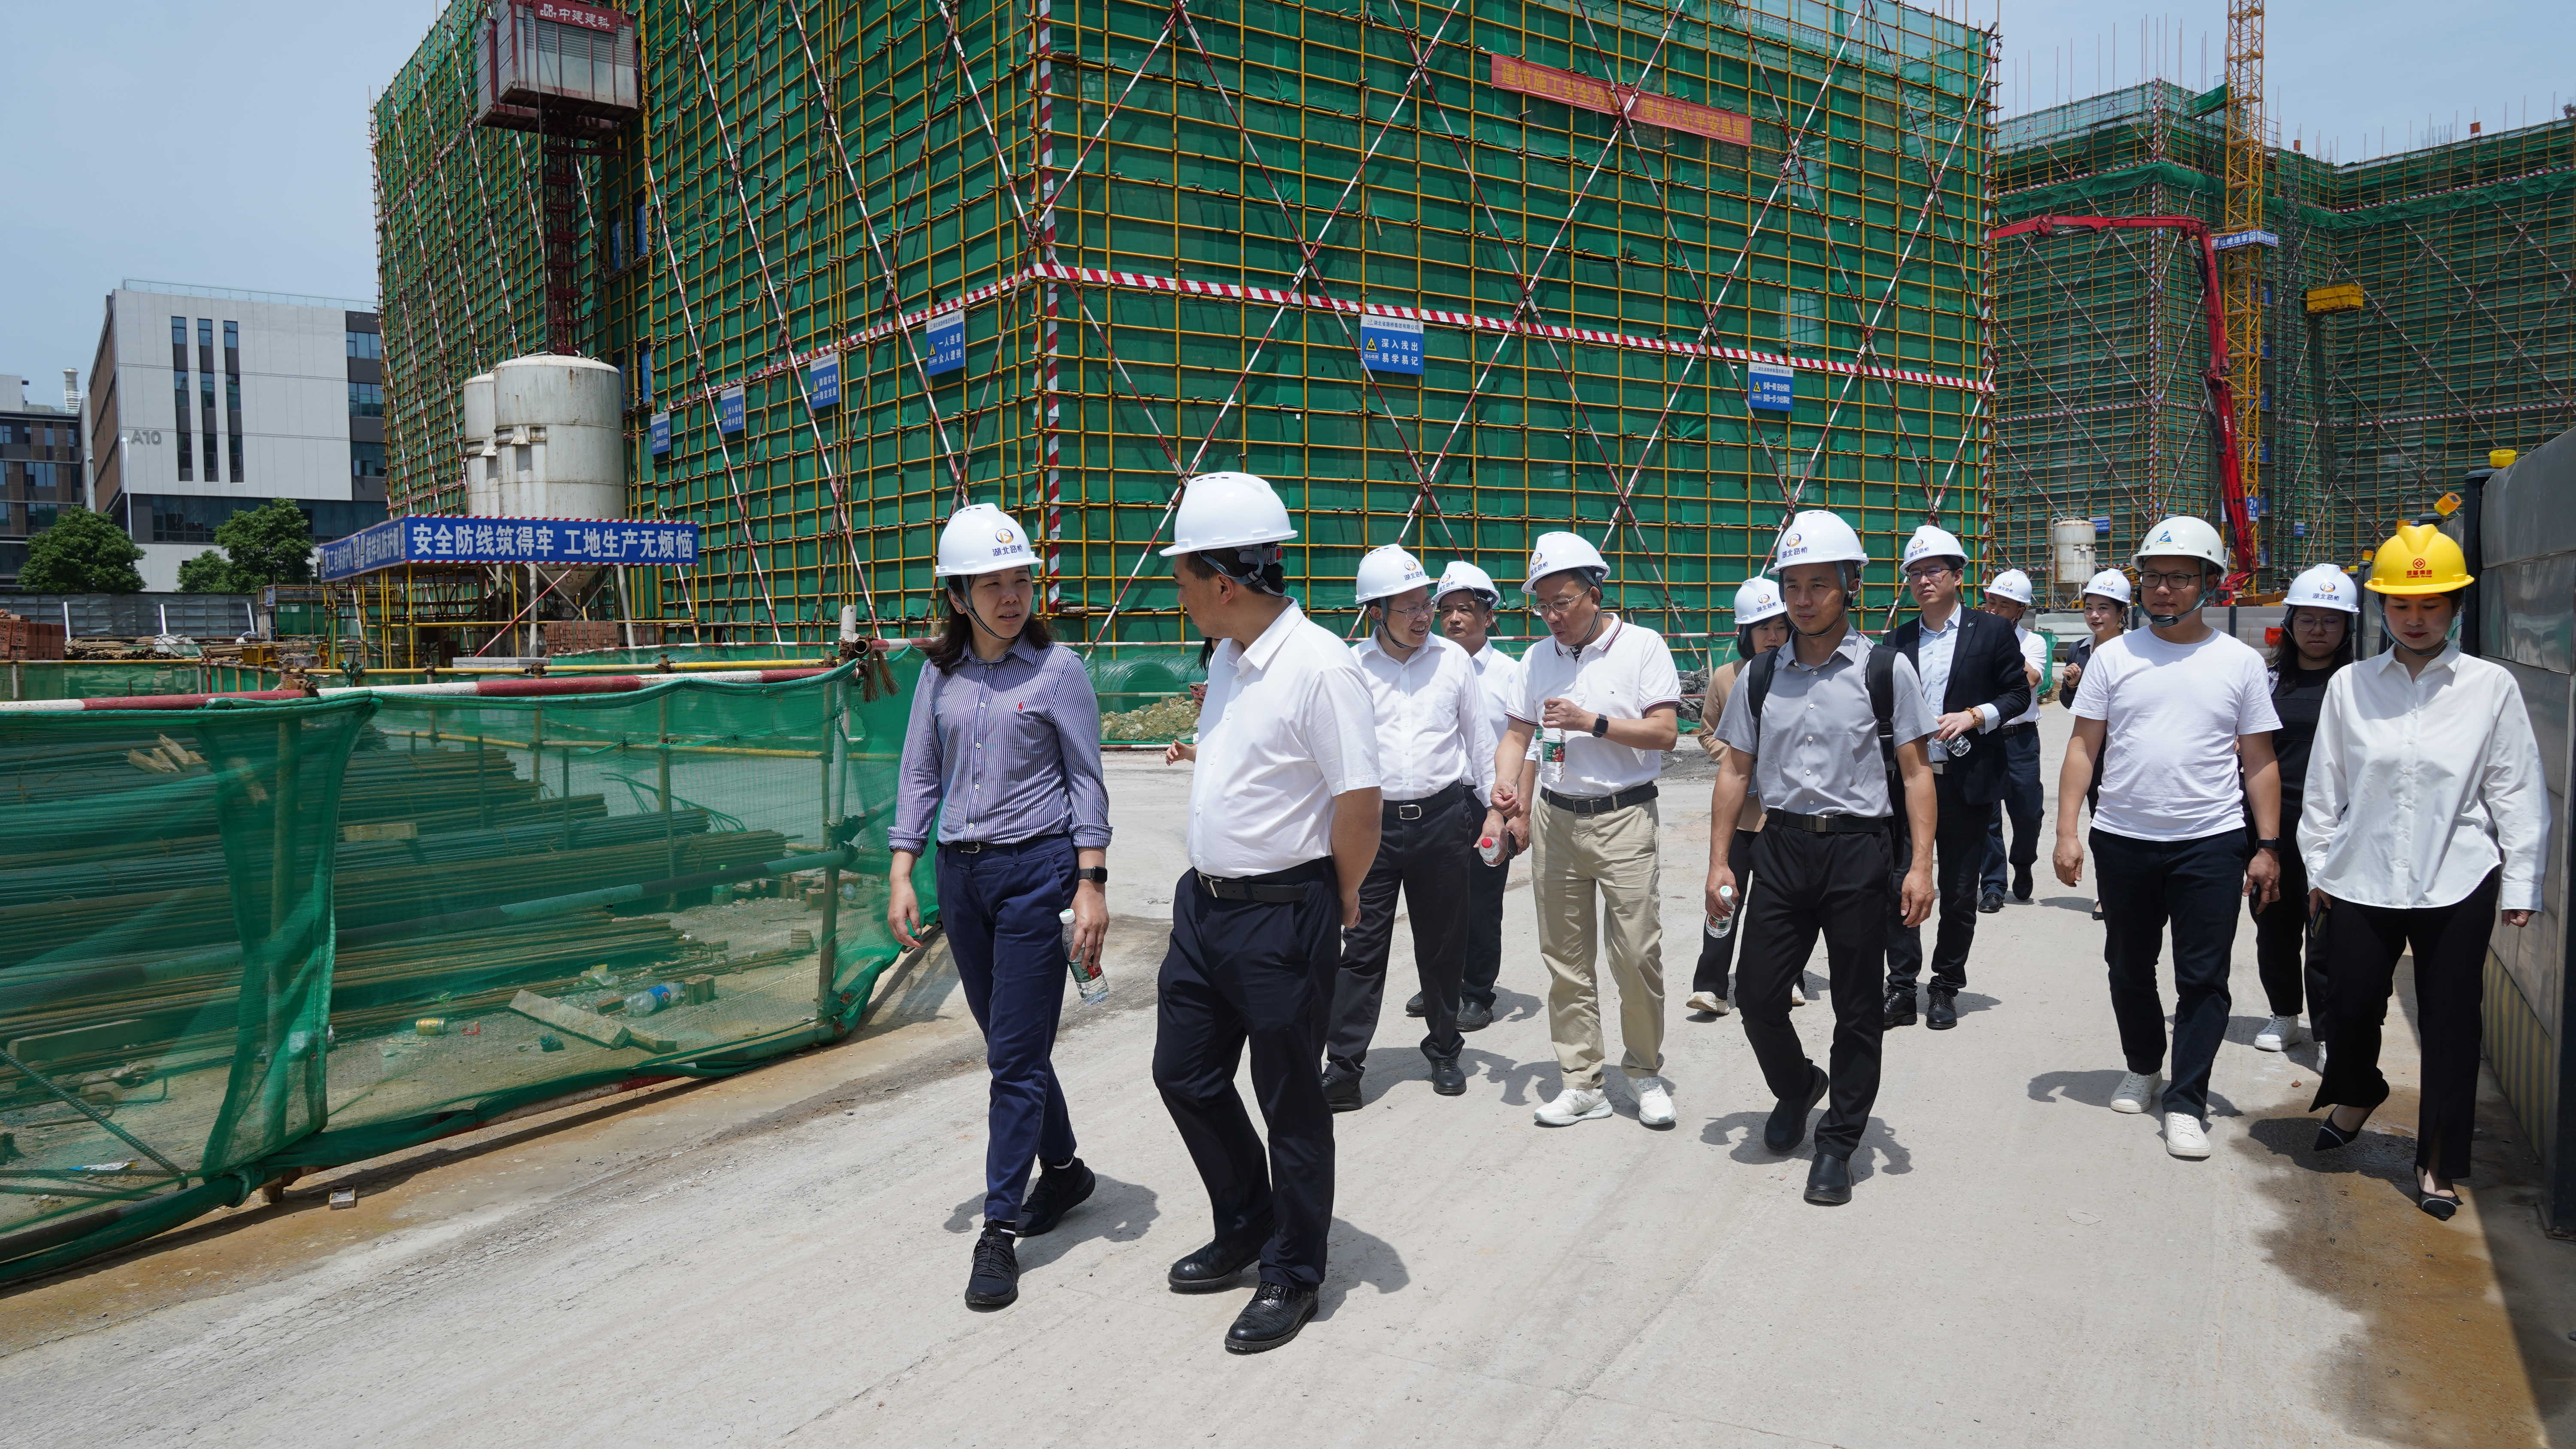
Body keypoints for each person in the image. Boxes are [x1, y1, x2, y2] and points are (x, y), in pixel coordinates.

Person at [1150, 471, 1381, 1354]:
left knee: (1290, 1100)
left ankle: (1293, 1268)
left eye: (1182, 575)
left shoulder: (1321, 667)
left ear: (1223, 583)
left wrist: (1343, 891)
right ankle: (1248, 1217)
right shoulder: (1227, 656)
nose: (1176, 592)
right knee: (1184, 1073)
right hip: (1204, 908)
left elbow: (1359, 802)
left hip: (1284, 911)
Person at [888, 503, 1112, 1313]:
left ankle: (999, 1229)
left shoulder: (1058, 670)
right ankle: (1068, 1171)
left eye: (1021, 580)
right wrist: (903, 868)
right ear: (958, 596)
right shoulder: (940, 673)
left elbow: (1086, 777)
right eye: (993, 584)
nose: (1012, 596)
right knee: (1010, 1044)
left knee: (1013, 1059)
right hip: (962, 878)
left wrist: (1091, 881)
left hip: (1036, 873)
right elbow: (920, 771)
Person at [2306, 524, 2547, 1221]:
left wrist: (2524, 881)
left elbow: (2517, 789)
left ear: (2456, 606)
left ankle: (2438, 1160)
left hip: (2457, 879)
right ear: (2383, 607)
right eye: (2402, 605)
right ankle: (2359, 1091)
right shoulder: (2352, 686)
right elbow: (2324, 789)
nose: (2415, 619)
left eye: (2431, 605)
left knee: (2451, 1025)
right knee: (2349, 1004)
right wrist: (2319, 868)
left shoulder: (2490, 688)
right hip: (2361, 876)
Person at [1706, 509, 1936, 1204]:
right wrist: (1720, 861)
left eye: (1818, 584)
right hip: (1779, 846)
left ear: (1850, 585)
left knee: (1858, 1005)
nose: (1803, 600)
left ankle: (1838, 1141)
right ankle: (1798, 1085)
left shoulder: (1885, 669)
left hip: (1858, 850)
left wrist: (1920, 866)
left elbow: (1917, 772)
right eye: (1792, 586)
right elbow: (1735, 770)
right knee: (1756, 995)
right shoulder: (1760, 675)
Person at [2053, 515, 2283, 1161]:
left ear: (2208, 583)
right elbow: (2082, 747)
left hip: (2211, 841)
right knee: (2128, 966)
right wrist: (2068, 831)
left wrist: (2268, 846)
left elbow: (2259, 759)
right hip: (2124, 839)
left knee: (2203, 977)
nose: (2162, 590)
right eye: (2153, 577)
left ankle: (2186, 1101)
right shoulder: (2113, 657)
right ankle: (2144, 1064)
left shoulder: (2239, 662)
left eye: (2179, 578)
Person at [1481, 530, 1683, 1130]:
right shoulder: (1537, 659)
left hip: (1624, 816)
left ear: (1596, 593)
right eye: (1542, 605)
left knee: (1636, 954)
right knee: (1566, 959)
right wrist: (1506, 787)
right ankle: (1582, 1082)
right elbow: (1517, 734)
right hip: (1557, 818)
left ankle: (1644, 1072)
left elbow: (1666, 734)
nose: (1552, 616)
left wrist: (1591, 721)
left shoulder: (1642, 647)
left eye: (1563, 602)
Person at [1324, 545, 1494, 1108]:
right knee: (1361, 948)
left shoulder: (1453, 661)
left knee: (1442, 947)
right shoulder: (1351, 666)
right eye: (1410, 607)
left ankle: (1444, 1050)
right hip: (1371, 827)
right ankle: (1344, 1067)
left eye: (1427, 604)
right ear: (1376, 611)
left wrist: (1500, 811)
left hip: (1444, 820)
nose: (1425, 616)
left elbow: (1480, 742)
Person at [1878, 525, 2032, 1031]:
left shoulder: (1991, 632)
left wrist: (1976, 715)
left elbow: (2018, 694)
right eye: (1915, 574)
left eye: (1933, 571)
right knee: (1900, 883)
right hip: (1909, 781)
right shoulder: (1897, 640)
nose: (1923, 581)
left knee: (1960, 890)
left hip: (1967, 780)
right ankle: (1902, 988)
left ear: (1958, 575)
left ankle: (1945, 986)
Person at [2247, 564, 2359, 1054]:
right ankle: (2284, 1014)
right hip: (2274, 821)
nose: (2318, 630)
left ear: (2348, 627)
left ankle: (2329, 1031)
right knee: (2273, 924)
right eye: (2308, 619)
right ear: (2290, 623)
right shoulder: (2268, 681)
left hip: (2338, 825)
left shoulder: (2360, 683)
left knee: (2328, 932)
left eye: (2331, 621)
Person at [1410, 561, 1522, 1032]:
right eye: (1447, 610)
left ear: (1489, 615)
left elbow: (1526, 744)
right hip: (1439, 800)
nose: (1454, 618)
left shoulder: (1510, 674)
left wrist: (1516, 812)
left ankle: (1476, 991)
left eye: (1466, 609)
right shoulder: (1426, 668)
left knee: (1481, 901)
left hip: (1488, 802)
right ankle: (1441, 983)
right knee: (1436, 901)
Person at [1687, 576, 1794, 1017]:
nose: (1773, 636)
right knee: (1725, 896)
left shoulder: (1800, 674)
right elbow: (1707, 732)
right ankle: (1711, 985)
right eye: (1763, 627)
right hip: (1741, 815)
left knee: (1783, 902)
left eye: (1781, 626)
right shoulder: (1725, 678)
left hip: (1788, 814)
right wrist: (1737, 762)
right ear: (1745, 632)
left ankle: (1785, 978)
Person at [1975, 567, 2050, 912]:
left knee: (2028, 812)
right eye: (1991, 603)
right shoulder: (1974, 639)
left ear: (2020, 610)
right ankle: (1993, 885)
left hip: (2020, 739)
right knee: (1986, 816)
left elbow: (2031, 679)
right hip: (1985, 736)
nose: (1993, 610)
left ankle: (2023, 863)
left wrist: (2001, 643)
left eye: (2003, 606)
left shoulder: (2032, 643)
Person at [2058, 569, 2130, 920]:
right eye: (2089, 608)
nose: (2095, 616)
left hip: (2126, 752)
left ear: (2122, 613)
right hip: (2093, 753)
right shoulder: (2079, 649)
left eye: (2104, 608)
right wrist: (2072, 686)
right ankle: (2107, 893)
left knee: (2125, 825)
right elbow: (2071, 706)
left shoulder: (2135, 650)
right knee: (2100, 823)